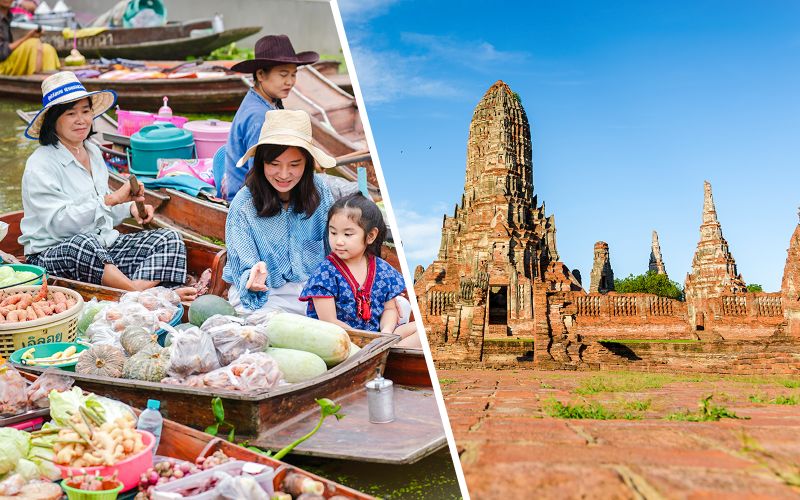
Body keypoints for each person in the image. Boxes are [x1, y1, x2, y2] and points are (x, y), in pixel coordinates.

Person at [20, 71, 197, 301]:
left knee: (169, 238)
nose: (81, 120)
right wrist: (112, 199)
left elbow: (102, 214)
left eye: (86, 111)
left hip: (103, 247)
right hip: (54, 253)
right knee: (85, 243)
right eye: (71, 113)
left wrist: (129, 208)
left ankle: (133, 290)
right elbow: (60, 226)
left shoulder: (92, 151)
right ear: (53, 120)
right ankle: (143, 295)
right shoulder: (40, 164)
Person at [223, 109, 336, 314]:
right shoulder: (244, 204)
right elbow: (245, 269)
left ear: (307, 163)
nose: (284, 175)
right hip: (266, 294)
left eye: (294, 164)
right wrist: (253, 279)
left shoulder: (320, 192)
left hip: (313, 289)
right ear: (261, 163)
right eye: (274, 164)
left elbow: (334, 249)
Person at [300, 193, 421, 347]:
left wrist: (386, 332)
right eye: (333, 233)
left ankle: (388, 350)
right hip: (342, 340)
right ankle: (389, 352)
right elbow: (329, 321)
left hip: (378, 337)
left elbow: (390, 309)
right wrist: (364, 341)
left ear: (370, 236)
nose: (339, 241)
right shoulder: (325, 274)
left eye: (347, 234)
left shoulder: (383, 270)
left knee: (423, 329)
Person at [221, 34, 319, 202]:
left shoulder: (264, 99)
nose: (290, 82)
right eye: (283, 74)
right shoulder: (259, 117)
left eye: (293, 74)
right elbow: (258, 176)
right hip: (247, 197)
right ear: (260, 74)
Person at [0, 0, 59, 75]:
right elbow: (2, 53)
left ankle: (50, 80)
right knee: (33, 44)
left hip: (9, 61)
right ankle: (34, 79)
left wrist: (30, 36)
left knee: (47, 49)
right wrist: (28, 37)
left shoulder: (8, 16)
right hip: (2, 66)